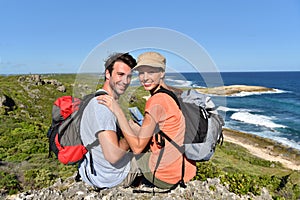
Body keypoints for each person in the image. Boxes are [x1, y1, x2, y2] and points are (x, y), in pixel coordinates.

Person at [97, 51, 196, 189]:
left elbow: (137, 148)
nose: (145, 78)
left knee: (114, 172)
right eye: (141, 73)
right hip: (184, 169)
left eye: (151, 72)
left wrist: (117, 111)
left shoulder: (156, 101)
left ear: (162, 73)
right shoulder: (171, 94)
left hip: (165, 175)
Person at [78, 52, 141, 189]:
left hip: (92, 171)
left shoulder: (98, 98)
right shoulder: (103, 107)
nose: (125, 81)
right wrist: (132, 133)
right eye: (120, 74)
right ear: (108, 74)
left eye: (129, 76)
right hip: (109, 177)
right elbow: (113, 156)